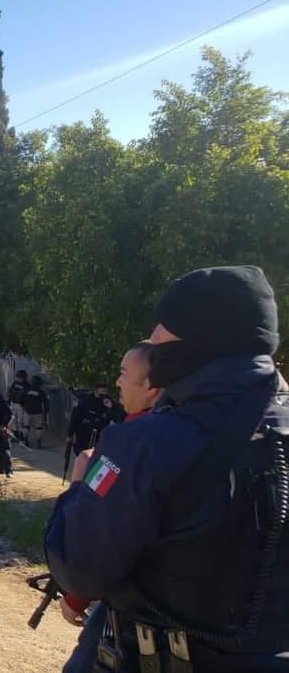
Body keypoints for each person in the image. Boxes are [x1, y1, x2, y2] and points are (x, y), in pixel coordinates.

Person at [47, 266, 289, 671]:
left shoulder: (146, 443)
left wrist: (77, 489)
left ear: (202, 339)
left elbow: (80, 569)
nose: (154, 335)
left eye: (166, 325)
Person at [59, 341, 162, 673]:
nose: (117, 382)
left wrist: (79, 482)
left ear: (150, 387)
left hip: (141, 605)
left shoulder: (129, 443)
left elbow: (100, 534)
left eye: (123, 374)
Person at [66, 381, 116, 457]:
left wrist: (111, 408)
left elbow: (116, 418)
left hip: (101, 435)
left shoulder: (109, 402)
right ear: (95, 391)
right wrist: (70, 434)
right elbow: (75, 418)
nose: (103, 396)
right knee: (83, 457)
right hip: (85, 434)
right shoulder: (85, 401)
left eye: (105, 393)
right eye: (101, 393)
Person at [20, 376, 49, 450]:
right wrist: (46, 412)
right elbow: (46, 403)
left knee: (26, 426)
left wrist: (23, 406)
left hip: (27, 411)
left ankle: (26, 441)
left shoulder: (26, 390)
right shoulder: (41, 392)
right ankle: (38, 443)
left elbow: (19, 398)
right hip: (38, 412)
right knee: (38, 427)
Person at [7, 370, 30, 445]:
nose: (17, 378)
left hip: (20, 405)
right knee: (13, 420)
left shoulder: (26, 385)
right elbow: (10, 391)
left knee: (21, 421)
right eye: (17, 377)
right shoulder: (15, 383)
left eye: (19, 377)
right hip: (13, 403)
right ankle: (15, 435)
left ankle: (22, 437)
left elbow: (26, 396)